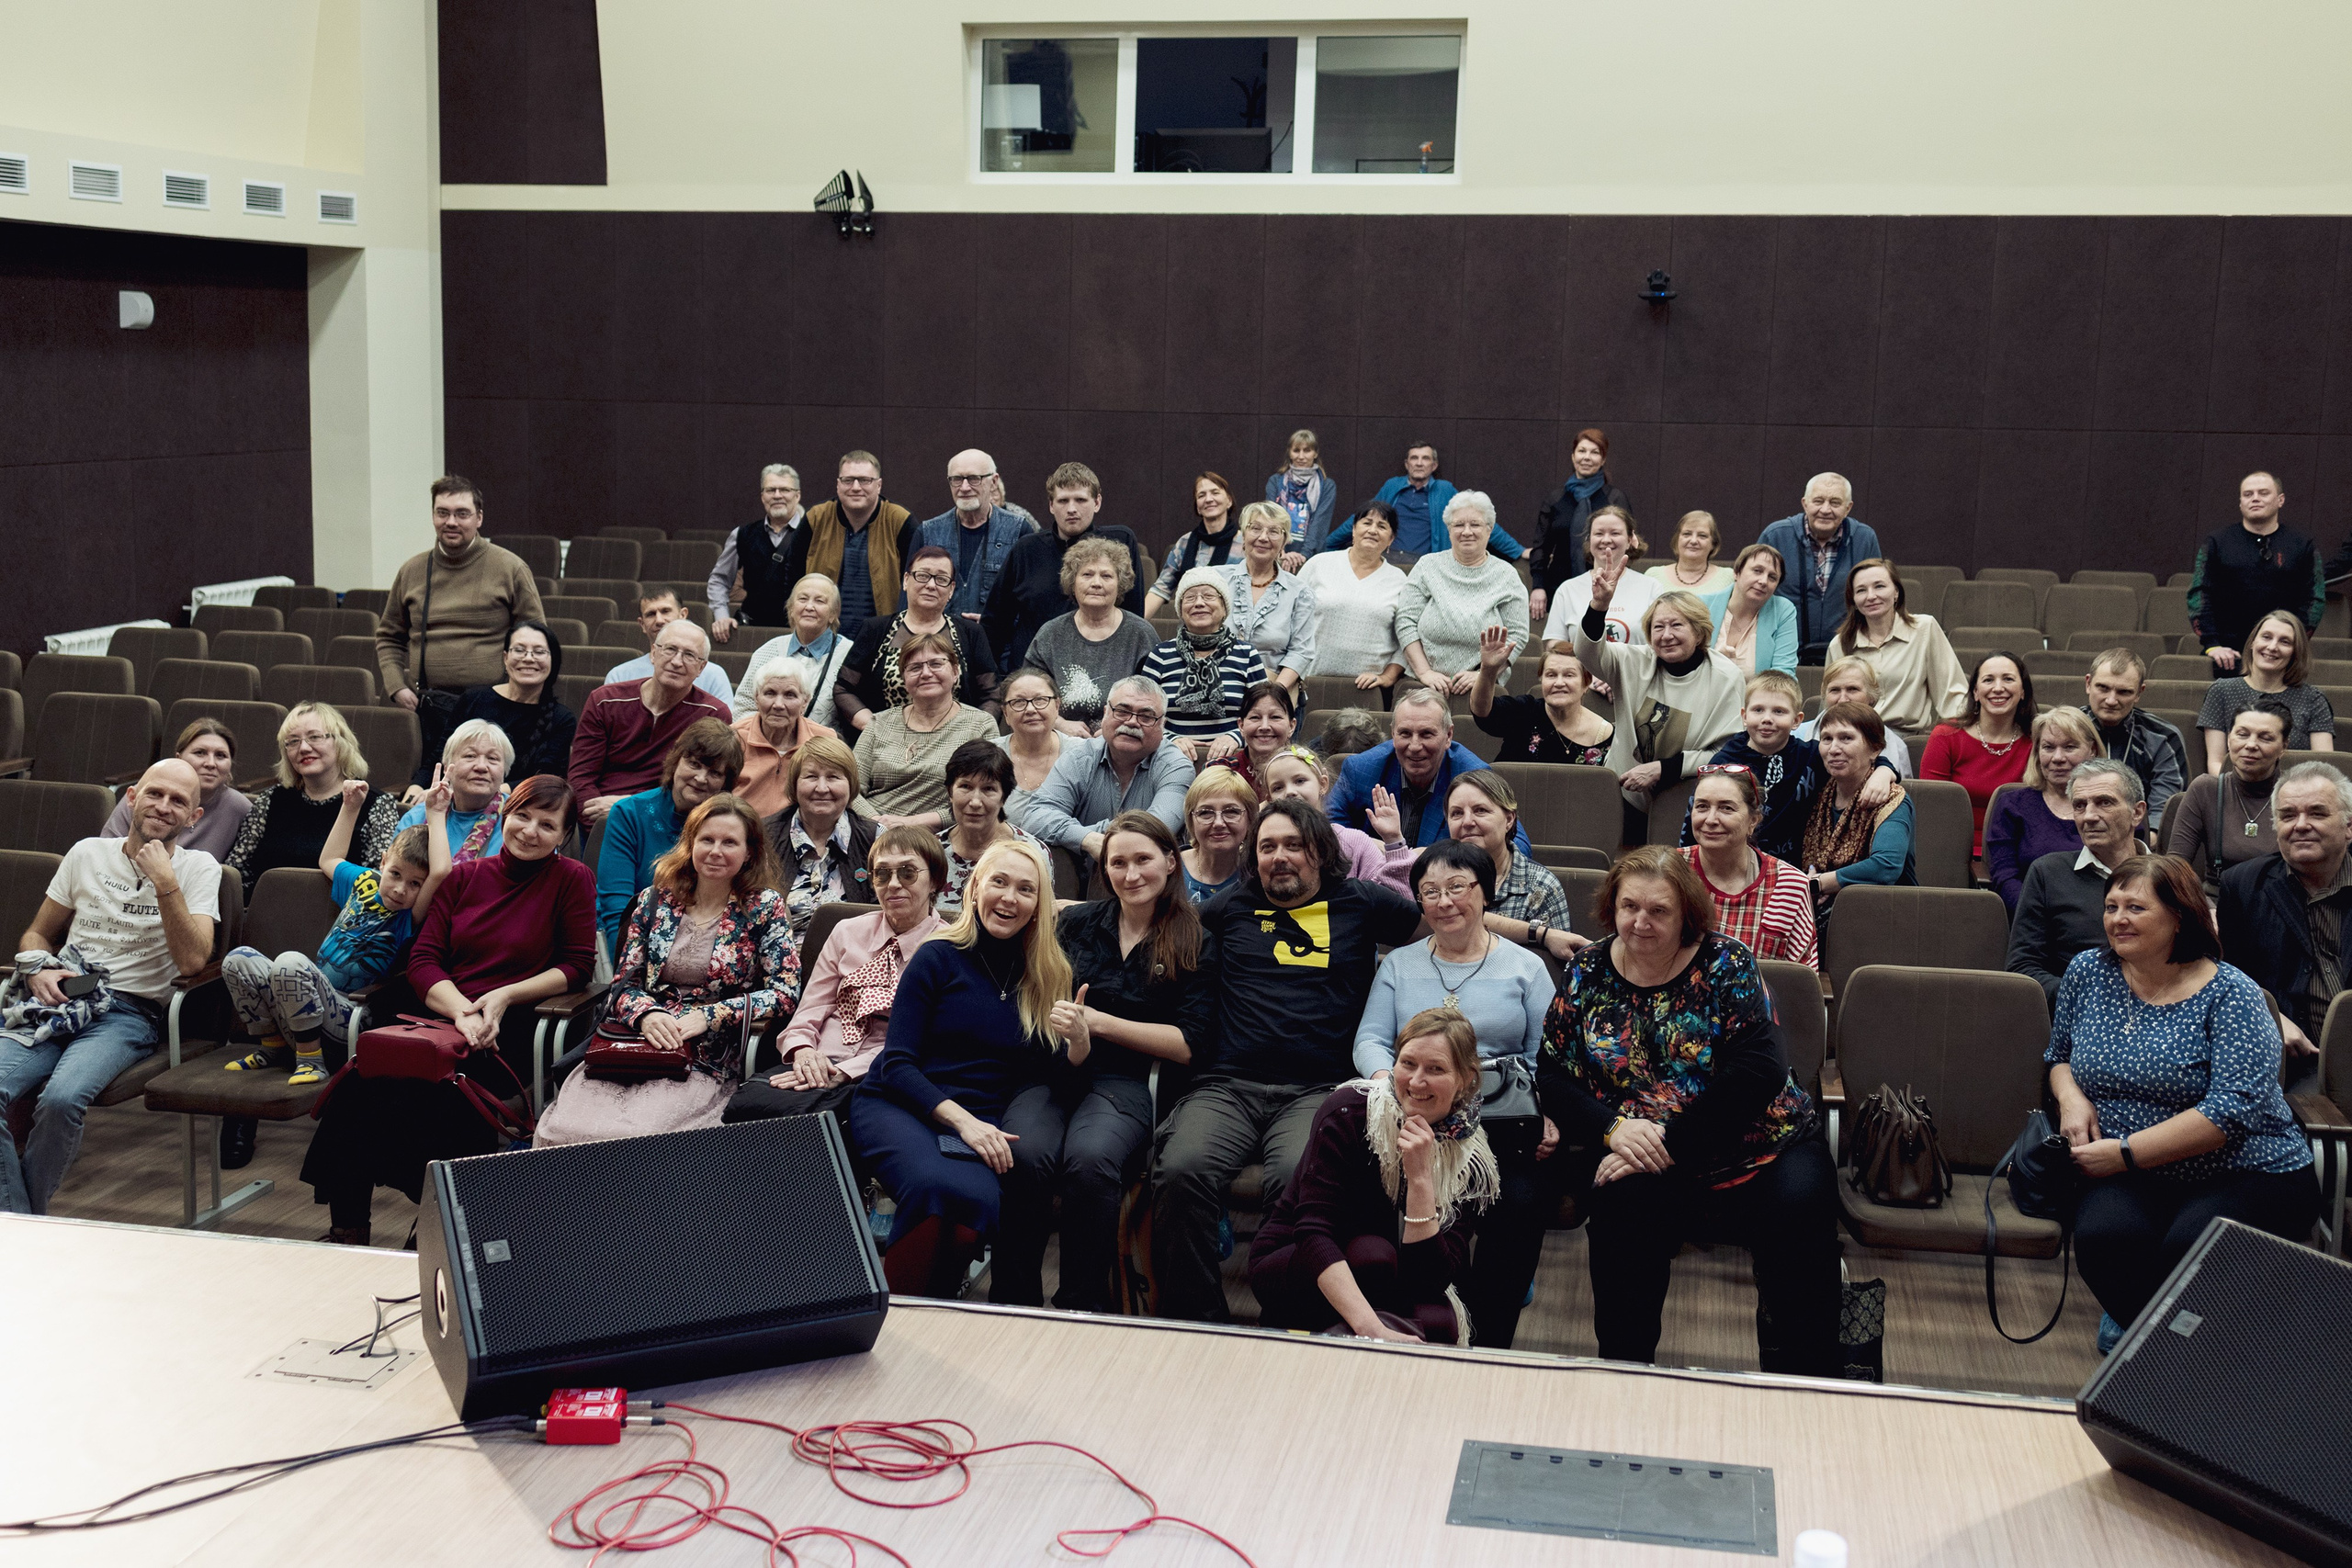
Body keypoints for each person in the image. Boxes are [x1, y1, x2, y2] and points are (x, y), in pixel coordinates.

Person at [1540, 846, 1842, 1375]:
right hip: (1637, 1146)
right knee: (1619, 1211)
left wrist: (1663, 1143)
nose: (1641, 922)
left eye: (1659, 910)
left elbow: (1759, 1072)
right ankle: (1626, 1375)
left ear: (1687, 914)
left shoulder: (1725, 962)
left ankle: (1808, 1386)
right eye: (1629, 906)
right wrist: (1611, 1129)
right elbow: (1554, 1073)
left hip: (1760, 1145)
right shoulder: (1588, 969)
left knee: (1801, 1213)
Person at [1151, 798, 1424, 1322]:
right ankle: (1198, 1322)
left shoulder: (1361, 902)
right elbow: (1150, 925)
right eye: (1267, 846)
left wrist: (1538, 936)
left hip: (1318, 1091)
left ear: (1320, 852)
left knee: (1296, 1180)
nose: (1280, 857)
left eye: (1293, 845)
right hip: (1227, 1086)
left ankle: (1290, 1321)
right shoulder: (1230, 908)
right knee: (1181, 1169)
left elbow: (1450, 919)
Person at [300, 775, 595, 1245]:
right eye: (522, 815)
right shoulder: (465, 876)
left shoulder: (572, 879)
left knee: (452, 1098)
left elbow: (577, 966)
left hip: (514, 1023)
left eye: (547, 824)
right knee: (361, 1085)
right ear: (505, 814)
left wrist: (500, 998)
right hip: (441, 1013)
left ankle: (434, 1237)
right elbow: (423, 960)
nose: (529, 831)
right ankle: (348, 1230)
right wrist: (461, 1010)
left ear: (563, 836)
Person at [2051, 852, 2316, 1348]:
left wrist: (2124, 1152)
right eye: (2111, 906)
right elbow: (2058, 1055)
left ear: (2179, 916)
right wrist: (2070, 1099)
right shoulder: (2089, 971)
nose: (2118, 919)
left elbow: (2230, 1114)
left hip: (2242, 1167)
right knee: (2105, 1239)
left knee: (2191, 1250)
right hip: (2132, 1170)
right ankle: (2158, 1349)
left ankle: (2190, 1364)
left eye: (2136, 907)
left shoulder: (2232, 993)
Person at [849, 839, 1075, 1298]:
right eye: (999, 882)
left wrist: (1081, 1041)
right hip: (903, 1103)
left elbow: (1050, 1075)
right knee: (935, 1187)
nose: (1009, 898)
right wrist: (964, 1122)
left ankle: (937, 1307)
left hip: (983, 1117)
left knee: (978, 1199)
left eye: (1025, 890)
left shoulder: (1047, 974)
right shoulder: (937, 956)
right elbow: (895, 1064)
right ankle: (897, 1313)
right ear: (974, 889)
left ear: (1038, 905)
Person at [1, 761, 222, 1215]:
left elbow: (193, 960)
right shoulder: (87, 854)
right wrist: (39, 966)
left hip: (129, 1012)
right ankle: (23, 1219)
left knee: (62, 1099)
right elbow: (36, 934)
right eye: (155, 794)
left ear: (194, 818)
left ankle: (22, 1222)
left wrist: (165, 882)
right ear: (132, 797)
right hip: (61, 995)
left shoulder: (200, 868)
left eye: (179, 801)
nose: (164, 807)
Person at [1355, 843, 1555, 1348]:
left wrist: (1544, 1109)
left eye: (1458, 887)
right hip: (1416, 1117)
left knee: (1521, 1206)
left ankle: (1490, 1342)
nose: (1444, 902)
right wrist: (1390, 1087)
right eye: (1430, 892)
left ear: (1485, 893)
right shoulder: (1399, 965)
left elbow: (1546, 1056)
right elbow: (1371, 1039)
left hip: (1500, 1120)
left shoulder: (1525, 967)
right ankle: (1417, 1324)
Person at [537, 795, 797, 1147]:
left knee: (638, 1136)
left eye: (729, 842)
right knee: (563, 1131)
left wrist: (712, 1016)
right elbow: (623, 985)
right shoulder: (655, 900)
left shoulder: (763, 907)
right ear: (691, 843)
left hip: (705, 1053)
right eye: (706, 839)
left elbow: (785, 992)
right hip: (632, 1043)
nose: (715, 851)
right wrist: (646, 1015)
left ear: (750, 852)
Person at [1035, 812, 1217, 1312]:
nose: (1131, 873)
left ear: (1171, 863)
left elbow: (1188, 1043)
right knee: (1026, 1154)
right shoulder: (1076, 923)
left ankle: (1081, 1302)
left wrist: (1099, 1023)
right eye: (1119, 863)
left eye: (1143, 859)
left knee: (1090, 1160)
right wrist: (1071, 1032)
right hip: (1057, 1067)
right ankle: (1014, 1294)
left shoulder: (1194, 938)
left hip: (1128, 1080)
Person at [1251, 1009, 1498, 1344]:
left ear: (1467, 1079)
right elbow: (1313, 1231)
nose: (1415, 1081)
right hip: (1301, 1256)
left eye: (1435, 1069)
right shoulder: (1349, 1110)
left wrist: (1421, 1178)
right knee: (1373, 1255)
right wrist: (1373, 1330)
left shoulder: (1470, 1153)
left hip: (1397, 1270)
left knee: (1439, 1322)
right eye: (1407, 1063)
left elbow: (1430, 1280)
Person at [220, 782, 450, 1089]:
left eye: (414, 884)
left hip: (349, 1017)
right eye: (395, 874)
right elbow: (329, 859)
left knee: (290, 962)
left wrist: (435, 813)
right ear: (383, 862)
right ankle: (273, 1046)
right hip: (302, 1004)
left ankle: (311, 1060)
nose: (400, 889)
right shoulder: (365, 881)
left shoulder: (409, 916)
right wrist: (350, 806)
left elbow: (440, 872)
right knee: (238, 959)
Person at [723, 827, 945, 1134]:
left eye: (907, 873)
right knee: (751, 1114)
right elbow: (810, 1010)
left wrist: (844, 1072)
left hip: (884, 1074)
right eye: (881, 874)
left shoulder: (947, 948)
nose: (893, 885)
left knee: (815, 1130)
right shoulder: (846, 932)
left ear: (934, 879)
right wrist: (803, 1052)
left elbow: (928, 1044)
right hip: (815, 1063)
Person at [1574, 570, 1747, 825]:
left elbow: (1725, 752)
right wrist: (1599, 607)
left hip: (1687, 798)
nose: (1666, 635)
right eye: (1658, 627)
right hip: (1623, 793)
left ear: (1699, 633)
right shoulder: (1634, 661)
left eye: (1677, 625)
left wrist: (1664, 769)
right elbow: (1587, 652)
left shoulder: (1726, 677)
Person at [373, 475, 545, 713]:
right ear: (433, 516)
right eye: (442, 513)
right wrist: (396, 687)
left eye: (462, 514)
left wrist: (515, 692)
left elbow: (536, 640)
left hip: (494, 702)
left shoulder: (510, 568)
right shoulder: (412, 570)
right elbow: (389, 638)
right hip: (428, 705)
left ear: (479, 518)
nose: (451, 522)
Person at [2216, 761, 2352, 1059]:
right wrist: (2270, 1015)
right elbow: (2227, 977)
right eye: (2288, 815)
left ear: (2349, 826)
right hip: (2291, 1062)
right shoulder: (2242, 885)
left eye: (2317, 812)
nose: (2301, 824)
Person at [1702, 671, 1894, 866]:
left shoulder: (1810, 755)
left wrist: (1884, 772)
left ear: (1797, 720)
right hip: (1734, 864)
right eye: (1758, 710)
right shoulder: (1723, 762)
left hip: (1794, 866)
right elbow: (1697, 817)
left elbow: (1861, 759)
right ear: (1744, 716)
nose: (1767, 719)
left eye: (1779, 711)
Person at [595, 718, 743, 957]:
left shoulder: (732, 828)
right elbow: (618, 911)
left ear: (726, 783)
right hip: (629, 949)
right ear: (676, 761)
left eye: (714, 772)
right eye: (694, 764)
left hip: (706, 955)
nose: (701, 778)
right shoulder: (629, 814)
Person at [2007, 760, 2148, 1008]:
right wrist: (2089, 997)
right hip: (2078, 1017)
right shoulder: (2047, 872)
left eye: (2105, 802)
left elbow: (2196, 963)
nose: (2089, 816)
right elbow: (2022, 968)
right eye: (2080, 806)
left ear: (2137, 812)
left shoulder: (2169, 876)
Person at [982, 461, 1148, 667]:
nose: (1071, 509)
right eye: (1063, 501)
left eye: (1080, 499)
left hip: (1103, 666)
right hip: (1035, 673)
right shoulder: (1026, 549)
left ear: (1097, 502)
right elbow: (996, 623)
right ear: (1051, 505)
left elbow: (1133, 616)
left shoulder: (1120, 541)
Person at [568, 620, 732, 827]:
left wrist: (628, 808)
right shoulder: (605, 701)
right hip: (598, 817)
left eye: (689, 655)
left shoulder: (713, 714)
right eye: (670, 649)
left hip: (668, 820)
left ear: (701, 667)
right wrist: (601, 825)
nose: (677, 661)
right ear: (653, 653)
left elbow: (701, 787)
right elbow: (581, 775)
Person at [225, 703, 404, 889]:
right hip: (268, 913)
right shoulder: (270, 801)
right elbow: (237, 871)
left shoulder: (375, 804)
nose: (303, 748)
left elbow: (378, 881)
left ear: (340, 742)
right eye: (293, 741)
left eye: (315, 737)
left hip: (341, 916)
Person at [1325, 689, 1529, 852]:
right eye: (1405, 733)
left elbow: (1518, 845)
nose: (1414, 746)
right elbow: (1326, 830)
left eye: (1426, 734)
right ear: (1392, 734)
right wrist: (1367, 845)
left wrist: (1441, 854)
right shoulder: (1361, 770)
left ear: (1448, 736)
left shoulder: (1473, 775)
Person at [1018, 676, 1192, 865]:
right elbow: (1035, 817)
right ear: (1106, 713)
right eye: (1122, 711)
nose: (1132, 722)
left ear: (1162, 725)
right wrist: (1088, 839)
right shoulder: (1079, 758)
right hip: (1081, 881)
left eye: (1146, 716)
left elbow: (1155, 829)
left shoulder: (1176, 766)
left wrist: (1095, 835)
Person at [834, 545, 1001, 729]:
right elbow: (844, 689)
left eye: (941, 579)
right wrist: (874, 727)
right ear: (906, 581)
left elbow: (992, 694)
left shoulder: (971, 633)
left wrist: (973, 731)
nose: (931, 585)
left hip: (957, 744)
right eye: (923, 576)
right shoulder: (875, 629)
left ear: (951, 589)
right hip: (887, 741)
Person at [851, 632, 997, 829]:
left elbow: (984, 798)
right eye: (915, 668)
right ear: (903, 678)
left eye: (936, 664)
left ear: (955, 672)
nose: (926, 673)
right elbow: (850, 787)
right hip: (869, 830)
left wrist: (909, 823)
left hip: (939, 837)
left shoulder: (980, 725)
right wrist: (877, 823)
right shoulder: (879, 722)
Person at [411, 620, 574, 791]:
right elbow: (443, 753)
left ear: (553, 661)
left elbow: (546, 779)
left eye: (539, 652)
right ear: (505, 658)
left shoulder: (562, 718)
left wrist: (490, 793)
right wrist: (416, 788)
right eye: (519, 650)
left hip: (518, 805)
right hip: (460, 796)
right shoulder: (474, 699)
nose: (528, 658)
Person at [1680, 765, 1818, 966]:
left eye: (1726, 808)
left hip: (1762, 998)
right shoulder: (1670, 871)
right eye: (1702, 806)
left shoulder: (1790, 885)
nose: (1710, 820)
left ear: (1753, 820)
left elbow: (1800, 982)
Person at [1396, 491, 1529, 696]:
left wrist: (1483, 674)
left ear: (1489, 529)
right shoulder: (1427, 566)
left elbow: (1518, 635)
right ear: (1449, 530)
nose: (1467, 531)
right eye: (1458, 525)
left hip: (1484, 686)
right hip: (1423, 684)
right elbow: (1405, 621)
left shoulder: (1507, 575)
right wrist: (1425, 672)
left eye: (1475, 524)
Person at [2189, 470, 2324, 674]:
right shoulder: (2217, 542)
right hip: (2227, 655)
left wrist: (2293, 642)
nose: (2255, 499)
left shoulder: (2302, 544)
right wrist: (2212, 644)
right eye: (2248, 494)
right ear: (2240, 502)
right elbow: (2199, 594)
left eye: (2263, 493)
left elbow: (2314, 598)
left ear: (2280, 500)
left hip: (2281, 657)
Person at [1018, 536, 1155, 732]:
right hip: (1060, 740)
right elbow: (1028, 694)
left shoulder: (1141, 634)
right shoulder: (1051, 633)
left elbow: (1155, 700)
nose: (1096, 583)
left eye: (1106, 576)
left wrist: (1117, 728)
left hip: (1127, 739)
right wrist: (1059, 724)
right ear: (1072, 583)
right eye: (1087, 574)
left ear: (1120, 585)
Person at [1828, 559, 1969, 747]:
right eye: (1861, 590)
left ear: (1896, 592)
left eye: (1879, 586)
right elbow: (1832, 705)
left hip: (1907, 740)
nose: (1871, 596)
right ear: (1852, 599)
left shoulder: (1924, 630)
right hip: (1854, 740)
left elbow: (1952, 695)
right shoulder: (1840, 644)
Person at [775, 449, 918, 631]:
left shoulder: (900, 521)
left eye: (865, 480)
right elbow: (793, 575)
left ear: (879, 485)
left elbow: (916, 583)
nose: (856, 487)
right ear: (838, 484)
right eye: (848, 480)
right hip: (822, 635)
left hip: (883, 635)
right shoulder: (816, 518)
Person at [1138, 569, 1268, 764]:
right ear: (1180, 610)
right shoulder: (1161, 655)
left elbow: (1263, 713)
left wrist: (1235, 737)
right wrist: (1170, 740)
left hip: (1236, 760)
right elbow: (1141, 714)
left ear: (1224, 608)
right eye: (1189, 598)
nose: (1199, 603)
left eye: (1208, 596)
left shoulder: (1246, 654)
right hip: (1169, 759)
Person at [2167, 695, 2290, 897]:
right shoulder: (2205, 789)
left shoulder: (2297, 795)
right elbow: (2174, 870)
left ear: (2284, 746)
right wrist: (2203, 910)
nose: (2251, 745)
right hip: (2216, 905)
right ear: (2229, 737)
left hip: (2279, 905)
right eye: (2242, 734)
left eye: (2265, 738)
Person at [1322, 440, 1522, 562]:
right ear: (1407, 464)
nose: (1419, 463)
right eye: (1414, 458)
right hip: (1387, 559)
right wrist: (1324, 546)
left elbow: (1480, 519)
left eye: (1425, 458)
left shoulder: (1444, 490)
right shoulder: (1393, 486)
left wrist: (1519, 551)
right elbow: (1362, 518)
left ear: (1434, 465)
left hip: (1424, 562)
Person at [1444, 770, 1576, 954]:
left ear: (1508, 819)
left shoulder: (1541, 886)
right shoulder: (1434, 879)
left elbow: (1551, 971)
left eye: (1480, 810)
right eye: (1456, 813)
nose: (1467, 822)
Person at [1803, 702, 1917, 912]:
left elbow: (1886, 866)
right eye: (1827, 738)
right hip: (1818, 909)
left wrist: (1817, 883)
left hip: (1884, 914)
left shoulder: (1891, 799)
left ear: (1875, 749)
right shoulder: (1817, 789)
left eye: (1846, 738)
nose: (1834, 749)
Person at [1921, 650, 2037, 857]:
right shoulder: (1946, 736)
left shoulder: (2038, 741)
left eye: (2008, 679)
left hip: (2018, 850)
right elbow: (1933, 808)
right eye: (1988, 680)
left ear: (2023, 692)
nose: (1998, 688)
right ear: (1975, 692)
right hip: (1952, 850)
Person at [1758, 472, 1883, 663]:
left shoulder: (1865, 539)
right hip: (1781, 653)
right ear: (1804, 503)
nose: (1825, 509)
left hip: (1847, 655)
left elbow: (1875, 597)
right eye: (1818, 501)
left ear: (1848, 508)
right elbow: (1753, 593)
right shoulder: (1775, 536)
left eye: (1835, 502)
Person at [1984, 705, 2100, 909]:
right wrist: (2037, 914)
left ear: (2092, 750)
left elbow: (2126, 872)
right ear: (2037, 753)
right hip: (2032, 918)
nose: (2057, 758)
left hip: (2099, 917)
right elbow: (2005, 877)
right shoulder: (2013, 806)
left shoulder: (2113, 804)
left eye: (2070, 747)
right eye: (2048, 747)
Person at [1258, 745, 1415, 895]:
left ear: (1323, 784)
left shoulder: (1354, 842)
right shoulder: (1265, 848)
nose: (1290, 792)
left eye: (1300, 781)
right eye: (1278, 788)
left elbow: (1397, 905)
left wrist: (1394, 841)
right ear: (1269, 799)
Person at [763, 734, 877, 937]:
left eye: (833, 777)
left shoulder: (875, 839)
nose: (822, 788)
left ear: (851, 784)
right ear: (794, 784)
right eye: (811, 777)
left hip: (853, 960)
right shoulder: (763, 836)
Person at [2197, 608, 2336, 769]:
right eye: (2266, 637)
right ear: (2252, 643)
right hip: (2234, 789)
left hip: (2295, 790)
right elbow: (2216, 763)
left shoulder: (2314, 699)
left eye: (2285, 642)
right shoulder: (2221, 691)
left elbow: (2324, 767)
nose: (2272, 647)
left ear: (2295, 652)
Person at [1295, 499, 1407, 688]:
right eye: (1366, 523)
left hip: (1368, 690)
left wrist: (1387, 678)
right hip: (1309, 680)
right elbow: (1292, 618)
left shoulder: (1400, 580)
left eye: (1382, 526)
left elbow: (1406, 639)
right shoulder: (1319, 564)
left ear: (1391, 539)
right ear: (1354, 530)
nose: (1373, 530)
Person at [913, 448, 1034, 622]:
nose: (964, 487)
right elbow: (910, 598)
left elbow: (1029, 603)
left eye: (974, 479)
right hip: (938, 644)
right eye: (956, 479)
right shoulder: (927, 532)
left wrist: (995, 623)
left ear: (994, 482)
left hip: (997, 646)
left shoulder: (1019, 531)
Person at [101, 718, 250, 859]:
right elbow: (106, 850)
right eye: (200, 753)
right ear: (179, 759)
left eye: (220, 755)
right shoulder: (144, 794)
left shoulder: (241, 808)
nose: (211, 763)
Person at [1528, 426, 1630, 622]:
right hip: (1558, 585)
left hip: (1606, 585)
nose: (1587, 457)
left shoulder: (1615, 498)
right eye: (1582, 451)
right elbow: (1541, 547)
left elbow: (1628, 545)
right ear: (1573, 456)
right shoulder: (1555, 499)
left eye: (1594, 452)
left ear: (1603, 459)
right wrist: (1538, 587)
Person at [1468, 632, 1611, 766]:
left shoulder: (1604, 733)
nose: (1559, 683)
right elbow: (1483, 712)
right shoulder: (1524, 711)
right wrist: (1488, 670)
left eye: (1569, 675)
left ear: (1586, 683)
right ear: (1541, 680)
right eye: (1551, 675)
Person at [936, 739, 1041, 917]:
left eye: (988, 789)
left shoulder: (1033, 854)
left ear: (1004, 798)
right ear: (950, 792)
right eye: (965, 786)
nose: (975, 802)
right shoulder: (930, 853)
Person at [731, 574, 853, 724]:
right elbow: (742, 710)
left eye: (819, 601)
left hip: (825, 745)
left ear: (834, 613)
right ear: (791, 609)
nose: (809, 607)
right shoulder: (767, 652)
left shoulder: (850, 655)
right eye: (802, 599)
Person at [1223, 502, 1317, 690]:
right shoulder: (1217, 580)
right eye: (1255, 528)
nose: (1263, 537)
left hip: (1276, 690)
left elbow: (1301, 652)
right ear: (1242, 535)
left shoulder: (1299, 592)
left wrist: (1272, 694)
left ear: (1284, 541)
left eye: (1274, 531)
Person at [2082, 649, 2187, 818]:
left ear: (2139, 692)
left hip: (2137, 836)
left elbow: (2163, 811)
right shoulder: (2063, 730)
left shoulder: (2164, 737)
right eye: (2103, 688)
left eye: (2124, 692)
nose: (2111, 700)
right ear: (2088, 684)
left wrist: (2143, 841)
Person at [729, 656, 836, 818]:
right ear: (757, 698)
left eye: (790, 695)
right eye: (770, 693)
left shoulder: (825, 740)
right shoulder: (733, 738)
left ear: (805, 701)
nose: (778, 704)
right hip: (742, 830)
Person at [707, 462, 804, 639]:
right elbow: (719, 579)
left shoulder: (813, 534)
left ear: (797, 496)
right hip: (752, 631)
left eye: (785, 490)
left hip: (799, 633)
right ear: (762, 496)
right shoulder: (742, 534)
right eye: (770, 490)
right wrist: (721, 616)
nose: (777, 495)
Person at [1540, 504, 1657, 647]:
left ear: (1629, 540)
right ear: (1589, 541)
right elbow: (1553, 644)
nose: (1606, 540)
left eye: (1615, 533)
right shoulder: (1568, 589)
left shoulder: (1651, 587)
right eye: (1599, 534)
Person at [396, 718, 513, 862]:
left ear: (504, 772)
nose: (481, 767)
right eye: (470, 756)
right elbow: (394, 879)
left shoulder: (518, 821)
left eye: (492, 758)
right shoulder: (416, 818)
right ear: (447, 768)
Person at [603, 590, 737, 704]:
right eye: (651, 614)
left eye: (665, 611)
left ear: (683, 615)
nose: (659, 620)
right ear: (642, 624)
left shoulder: (713, 674)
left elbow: (724, 729)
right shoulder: (619, 675)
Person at [1793, 656, 1916, 777]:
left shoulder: (1896, 747)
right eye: (1835, 690)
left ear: (1872, 696)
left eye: (1852, 689)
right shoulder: (1796, 735)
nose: (1842, 699)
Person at [1145, 471, 1244, 616]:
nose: (1208, 499)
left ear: (1229, 501)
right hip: (1191, 628)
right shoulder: (1184, 544)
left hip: (1233, 629)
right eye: (1201, 495)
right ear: (1198, 507)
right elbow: (1160, 589)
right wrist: (1133, 626)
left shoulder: (1245, 544)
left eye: (1215, 492)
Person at [1701, 543, 1800, 679]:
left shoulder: (1783, 610)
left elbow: (1783, 674)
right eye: (1757, 571)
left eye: (1772, 577)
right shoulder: (1701, 605)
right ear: (1736, 572)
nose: (1764, 581)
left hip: (1760, 699)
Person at [993, 667, 1069, 822]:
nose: (1030, 709)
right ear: (1006, 713)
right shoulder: (989, 755)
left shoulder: (1082, 753)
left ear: (1057, 706)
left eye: (1040, 700)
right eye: (1019, 702)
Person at [1176, 766, 1256, 906]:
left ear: (1249, 820)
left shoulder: (1258, 872)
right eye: (1205, 813)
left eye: (1231, 811)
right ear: (1191, 820)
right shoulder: (1169, 868)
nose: (1218, 823)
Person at [1263, 428, 1339, 566]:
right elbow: (1270, 519)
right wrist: (1280, 552)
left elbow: (1320, 523)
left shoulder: (1327, 486)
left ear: (1315, 453)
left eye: (1307, 450)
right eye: (1296, 450)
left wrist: (1304, 555)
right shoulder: (1275, 481)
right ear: (1290, 453)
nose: (1301, 456)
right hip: (1278, 554)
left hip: (1311, 558)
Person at [1225, 682, 1299, 797]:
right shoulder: (1220, 768)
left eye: (1275, 717)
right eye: (1255, 717)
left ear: (1291, 726)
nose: (1264, 727)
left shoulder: (1305, 772)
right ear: (1241, 726)